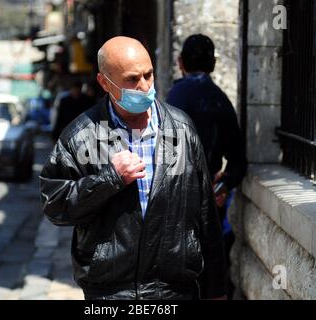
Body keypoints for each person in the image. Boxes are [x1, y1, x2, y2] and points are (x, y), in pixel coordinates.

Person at [40, 36, 226, 300]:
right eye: (131, 79)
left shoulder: (182, 129)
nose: (143, 86)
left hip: (174, 291)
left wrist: (216, 290)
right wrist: (109, 179)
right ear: (105, 83)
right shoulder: (81, 136)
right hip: (111, 294)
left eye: (148, 75)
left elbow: (206, 216)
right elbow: (54, 205)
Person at [166, 34, 247, 299]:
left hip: (172, 206)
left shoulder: (173, 97)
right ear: (213, 64)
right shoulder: (221, 101)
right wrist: (221, 186)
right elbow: (238, 162)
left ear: (180, 62)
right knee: (211, 282)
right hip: (209, 208)